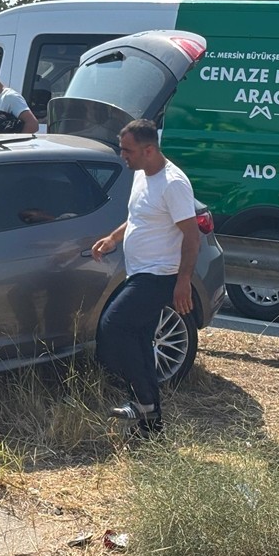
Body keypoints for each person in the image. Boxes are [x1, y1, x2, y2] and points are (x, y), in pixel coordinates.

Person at [90, 119, 200, 434]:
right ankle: (150, 421)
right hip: (139, 271)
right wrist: (113, 238)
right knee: (139, 339)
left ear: (149, 150)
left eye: (128, 150)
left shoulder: (173, 183)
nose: (123, 155)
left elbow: (191, 238)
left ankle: (141, 402)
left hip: (159, 276)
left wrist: (183, 282)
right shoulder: (142, 174)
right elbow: (138, 217)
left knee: (114, 327)